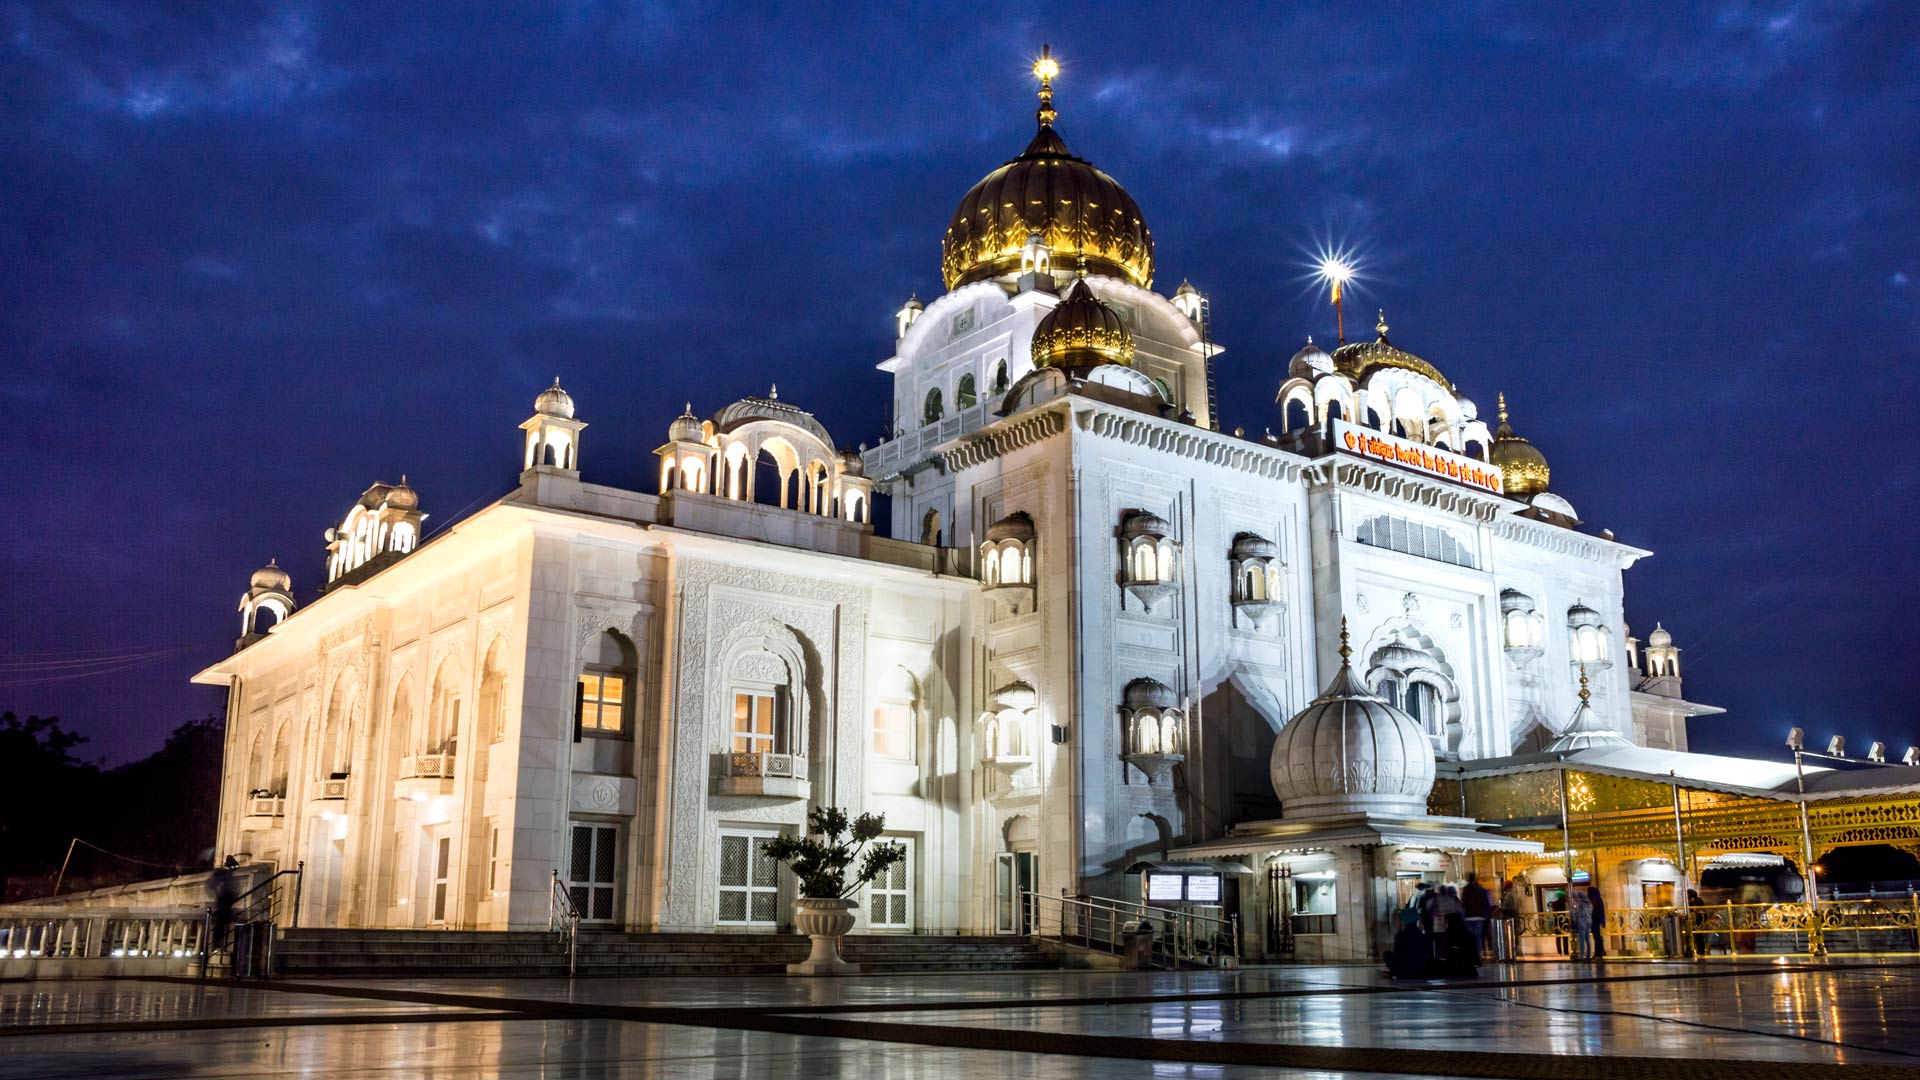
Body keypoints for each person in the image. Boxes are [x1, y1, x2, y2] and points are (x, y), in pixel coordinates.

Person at [1462, 872, 1493, 957]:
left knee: (1470, 937)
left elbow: (1464, 903)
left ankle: (1472, 954)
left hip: (1468, 917)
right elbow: (1484, 903)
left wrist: (1463, 915)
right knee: (1478, 937)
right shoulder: (1480, 890)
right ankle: (1478, 954)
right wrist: (1484, 914)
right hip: (1479, 917)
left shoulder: (1466, 889)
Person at [1569, 889, 1594, 961]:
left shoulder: (1580, 905)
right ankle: (1588, 956)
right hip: (1589, 923)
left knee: (1581, 940)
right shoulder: (1589, 904)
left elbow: (1576, 914)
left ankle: (1582, 955)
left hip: (1582, 923)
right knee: (1588, 940)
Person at [1585, 883, 1607, 960]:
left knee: (1597, 937)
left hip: (1595, 921)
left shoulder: (1595, 901)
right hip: (1595, 921)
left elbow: (1600, 911)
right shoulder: (1596, 900)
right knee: (1597, 937)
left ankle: (1599, 953)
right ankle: (1598, 953)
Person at [1549, 890, 1570, 956]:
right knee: (1565, 937)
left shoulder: (1554, 903)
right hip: (1564, 922)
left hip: (1556, 922)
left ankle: (1559, 952)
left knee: (1558, 937)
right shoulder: (1565, 903)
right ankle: (1566, 952)